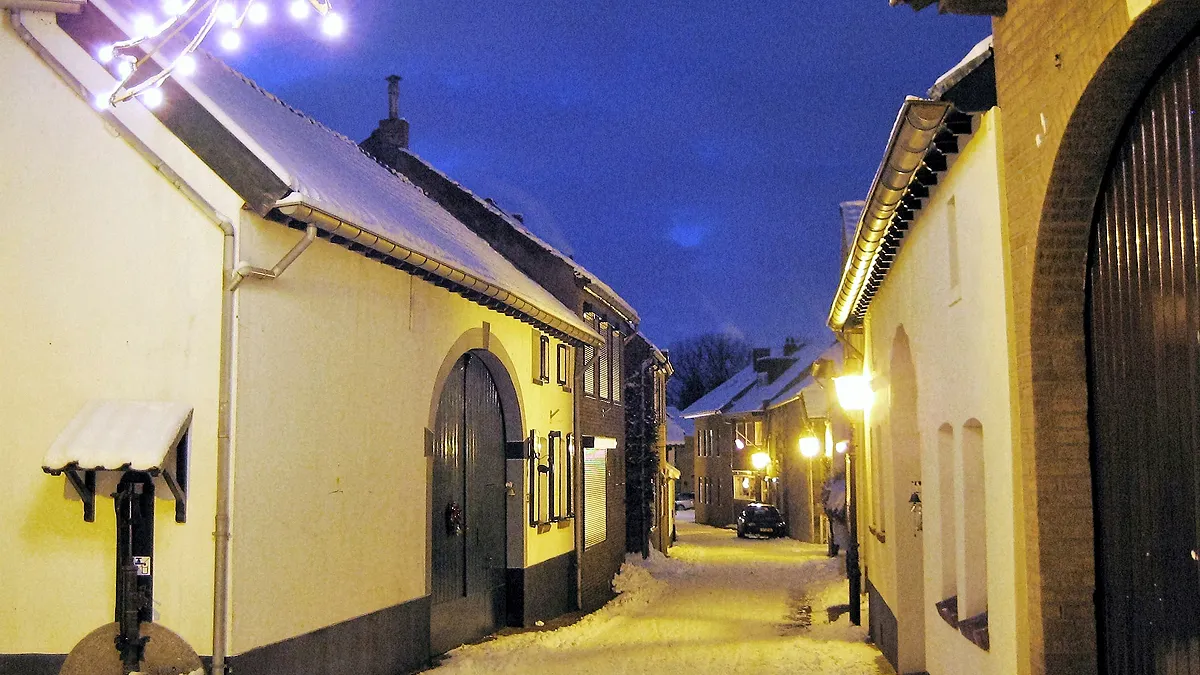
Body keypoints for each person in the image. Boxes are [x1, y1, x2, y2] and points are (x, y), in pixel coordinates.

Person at [821, 472, 849, 557]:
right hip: (836, 512)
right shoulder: (839, 485)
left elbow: (831, 500)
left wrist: (830, 509)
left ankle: (834, 548)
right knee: (836, 531)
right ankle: (835, 547)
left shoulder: (835, 486)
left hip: (835, 512)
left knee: (835, 531)